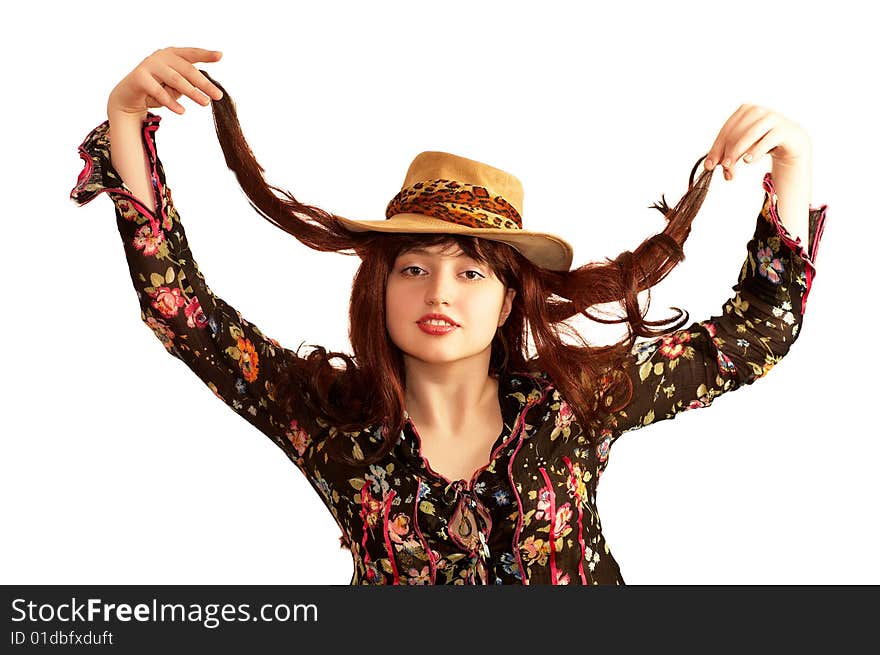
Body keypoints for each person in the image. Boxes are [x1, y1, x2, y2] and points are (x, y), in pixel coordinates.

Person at [70, 46, 827, 585]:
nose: (440, 292)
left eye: (471, 270)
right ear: (379, 289)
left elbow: (757, 331)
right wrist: (128, 119)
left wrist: (791, 163)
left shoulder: (573, 403)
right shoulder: (328, 422)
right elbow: (183, 314)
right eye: (413, 267)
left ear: (508, 301)